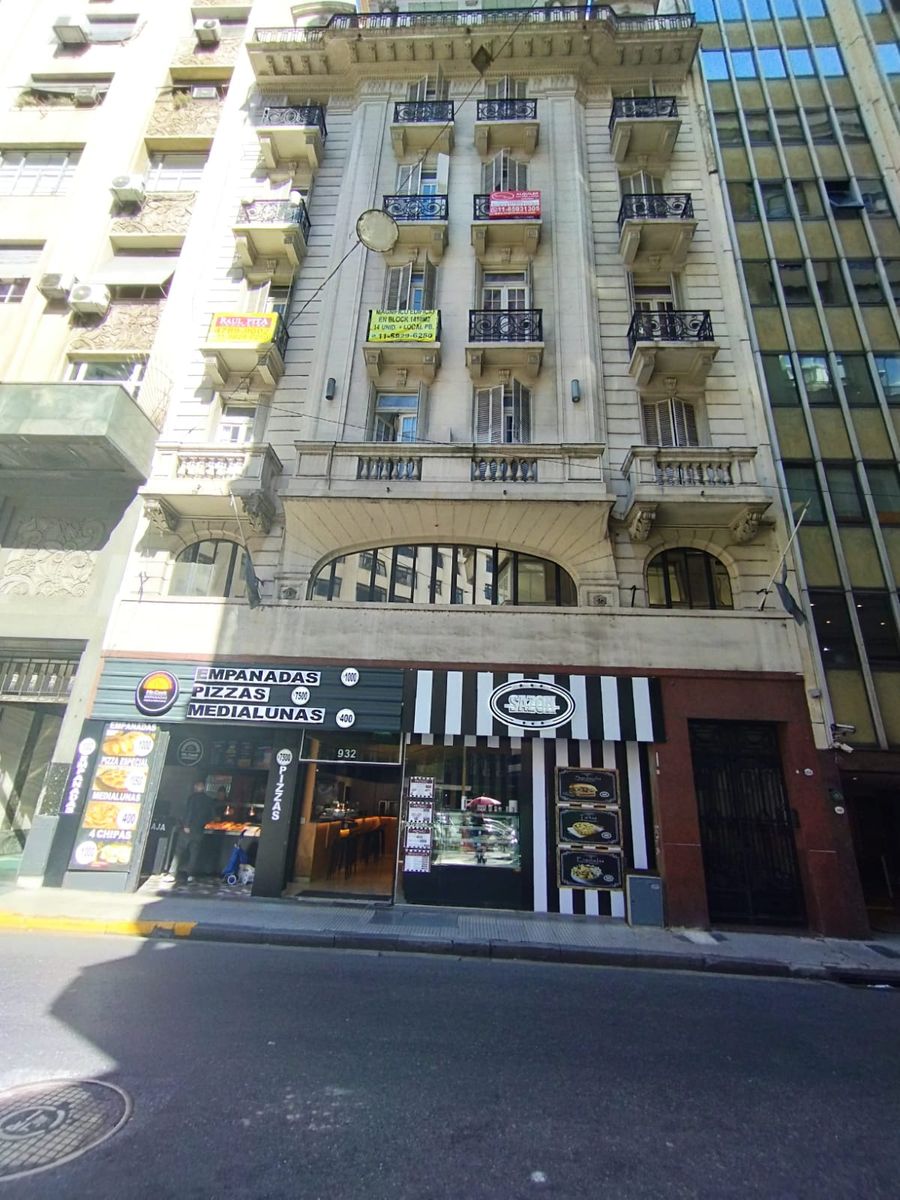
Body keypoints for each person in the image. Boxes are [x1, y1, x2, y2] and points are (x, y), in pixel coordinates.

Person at [161, 779, 217, 883]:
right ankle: (190, 875)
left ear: (197, 787)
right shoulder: (209, 800)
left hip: (189, 828)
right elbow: (212, 816)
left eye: (196, 786)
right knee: (194, 853)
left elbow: (189, 812)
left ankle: (172, 873)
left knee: (179, 851)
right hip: (200, 830)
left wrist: (186, 825)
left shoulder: (192, 798)